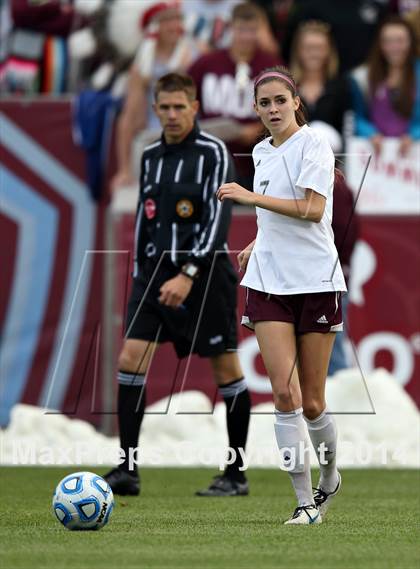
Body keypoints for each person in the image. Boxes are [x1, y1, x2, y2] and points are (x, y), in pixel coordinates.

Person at [104, 72, 251, 498]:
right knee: (131, 358)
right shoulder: (149, 155)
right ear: (155, 109)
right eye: (164, 107)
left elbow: (216, 220)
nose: (171, 115)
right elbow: (143, 220)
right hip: (152, 274)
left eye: (179, 107)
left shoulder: (214, 153)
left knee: (226, 371)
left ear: (194, 108)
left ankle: (235, 474)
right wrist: (139, 275)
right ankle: (127, 468)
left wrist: (188, 273)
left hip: (204, 278)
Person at [217, 65, 347, 524]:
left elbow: (312, 210)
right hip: (269, 281)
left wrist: (250, 199)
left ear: (296, 102)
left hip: (315, 280)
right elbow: (277, 217)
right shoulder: (260, 150)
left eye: (280, 100)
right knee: (283, 394)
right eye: (264, 103)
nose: (273, 109)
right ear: (255, 109)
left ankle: (329, 477)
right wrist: (257, 241)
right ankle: (303, 502)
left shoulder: (313, 144)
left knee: (312, 401)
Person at [188, 1, 281, 189]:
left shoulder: (271, 66)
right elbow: (184, 101)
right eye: (241, 30)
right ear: (230, 28)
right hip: (210, 160)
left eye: (252, 30)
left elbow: (286, 109)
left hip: (256, 163)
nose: (246, 37)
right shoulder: (206, 64)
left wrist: (258, 128)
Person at [111, 1, 196, 189]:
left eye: (177, 19)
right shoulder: (141, 66)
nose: (174, 26)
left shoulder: (196, 53)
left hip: (191, 138)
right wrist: (124, 169)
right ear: (155, 27)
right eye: (167, 20)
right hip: (155, 136)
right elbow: (129, 117)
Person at [350, 15, 420, 156]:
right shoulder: (363, 77)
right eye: (388, 41)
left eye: (400, 41)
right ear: (380, 44)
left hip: (412, 154)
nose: (394, 47)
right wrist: (370, 133)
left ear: (410, 42)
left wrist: (413, 135)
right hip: (377, 154)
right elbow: (358, 117)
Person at [289, 20, 351, 137]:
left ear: (329, 51)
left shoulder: (341, 87)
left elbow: (348, 129)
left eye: (319, 48)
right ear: (298, 51)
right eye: (308, 48)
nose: (314, 54)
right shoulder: (286, 87)